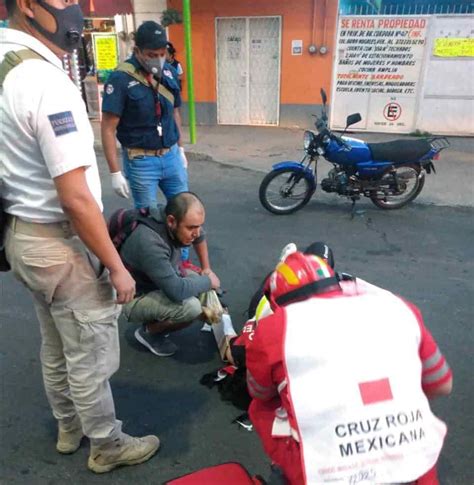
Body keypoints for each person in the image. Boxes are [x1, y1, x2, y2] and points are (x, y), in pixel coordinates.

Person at [0, 0, 159, 474]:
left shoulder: (6, 63)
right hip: (58, 243)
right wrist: (115, 266)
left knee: (56, 341)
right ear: (28, 5)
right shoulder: (44, 82)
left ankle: (69, 428)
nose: (74, 8)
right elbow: (75, 199)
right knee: (88, 351)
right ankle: (106, 445)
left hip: (21, 234)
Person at [245, 252, 452, 485]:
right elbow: (442, 385)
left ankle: (287, 471)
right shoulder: (397, 306)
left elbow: (260, 393)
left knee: (260, 408)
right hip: (415, 466)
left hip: (330, 473)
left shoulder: (273, 329)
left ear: (278, 302)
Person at [120, 192, 221, 357]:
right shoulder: (150, 241)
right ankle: (149, 332)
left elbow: (199, 235)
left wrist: (206, 269)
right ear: (171, 221)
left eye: (199, 226)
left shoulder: (167, 215)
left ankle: (157, 317)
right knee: (192, 307)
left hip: (154, 279)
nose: (196, 233)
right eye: (191, 228)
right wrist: (208, 281)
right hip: (131, 296)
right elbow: (176, 291)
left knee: (199, 284)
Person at [101, 21, 188, 208]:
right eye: (151, 55)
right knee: (149, 219)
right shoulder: (120, 79)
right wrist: (115, 172)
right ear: (138, 51)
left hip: (172, 156)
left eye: (162, 54)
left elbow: (175, 113)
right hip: (141, 161)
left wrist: (180, 148)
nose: (158, 59)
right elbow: (108, 128)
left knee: (184, 212)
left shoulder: (169, 73)